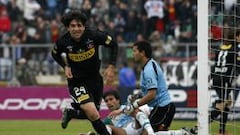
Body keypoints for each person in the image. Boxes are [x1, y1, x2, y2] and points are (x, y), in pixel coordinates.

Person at [51, 10, 118, 135]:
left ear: (84, 26)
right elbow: (54, 54)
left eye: (79, 25)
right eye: (73, 26)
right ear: (67, 28)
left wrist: (111, 66)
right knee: (92, 112)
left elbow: (113, 44)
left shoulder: (93, 35)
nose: (76, 29)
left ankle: (71, 113)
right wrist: (65, 66)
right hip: (76, 81)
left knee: (93, 114)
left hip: (95, 80)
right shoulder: (63, 42)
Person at [115, 40, 197, 135]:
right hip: (160, 108)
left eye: (134, 51)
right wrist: (137, 95)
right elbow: (148, 91)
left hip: (163, 108)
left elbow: (152, 94)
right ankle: (183, 133)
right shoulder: (147, 67)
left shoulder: (149, 70)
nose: (133, 54)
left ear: (142, 53)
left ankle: (183, 133)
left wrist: (134, 106)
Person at [209, 29, 240, 135]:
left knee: (227, 103)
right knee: (224, 103)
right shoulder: (236, 49)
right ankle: (204, 122)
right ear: (236, 37)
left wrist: (211, 77)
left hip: (216, 78)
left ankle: (222, 130)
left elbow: (215, 64)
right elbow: (238, 64)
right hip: (225, 79)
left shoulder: (220, 47)